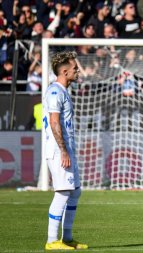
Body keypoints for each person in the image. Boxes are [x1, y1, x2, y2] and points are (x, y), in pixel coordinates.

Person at [42, 51, 88, 250]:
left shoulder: (63, 91)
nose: (78, 71)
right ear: (64, 71)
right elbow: (54, 122)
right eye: (75, 69)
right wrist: (63, 151)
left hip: (66, 148)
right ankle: (52, 240)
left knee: (75, 191)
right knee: (63, 192)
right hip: (58, 150)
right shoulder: (55, 92)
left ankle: (67, 237)